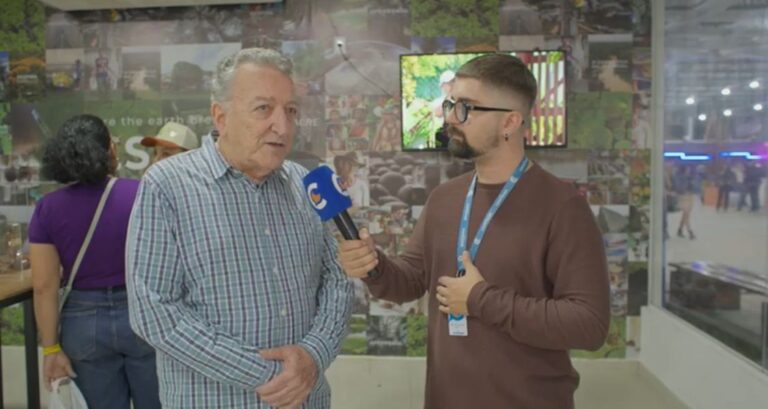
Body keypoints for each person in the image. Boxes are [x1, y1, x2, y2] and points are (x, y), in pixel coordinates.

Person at [338, 53, 610, 409]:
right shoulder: (444, 198)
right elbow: (410, 281)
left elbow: (589, 325)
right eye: (450, 104)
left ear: (509, 122)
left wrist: (480, 299)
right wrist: (373, 266)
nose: (450, 117)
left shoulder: (562, 206)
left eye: (466, 107)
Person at [126, 47, 352, 408]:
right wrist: (268, 374)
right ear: (221, 116)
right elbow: (154, 313)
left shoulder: (303, 182)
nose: (282, 126)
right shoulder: (167, 186)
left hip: (307, 398)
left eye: (291, 111)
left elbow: (337, 281)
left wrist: (313, 355)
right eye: (263, 109)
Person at [28, 114, 160, 409]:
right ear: (110, 150)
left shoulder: (47, 208)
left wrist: (50, 349)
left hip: (83, 324)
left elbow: (44, 286)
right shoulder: (142, 193)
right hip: (142, 315)